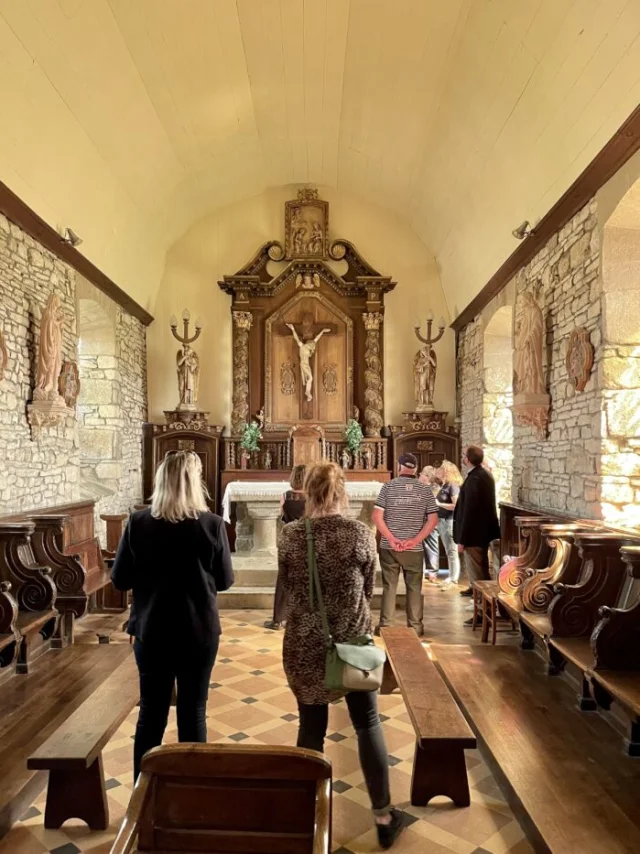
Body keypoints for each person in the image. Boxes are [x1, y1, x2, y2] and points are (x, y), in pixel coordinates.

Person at [279, 462, 405, 849]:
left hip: (303, 641)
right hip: (350, 642)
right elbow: (368, 587)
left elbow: (287, 583)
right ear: (341, 492)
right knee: (367, 722)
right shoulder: (359, 534)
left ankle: (305, 818)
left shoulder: (290, 536)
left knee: (310, 725)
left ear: (307, 492)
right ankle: (383, 816)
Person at [112, 450, 234, 781]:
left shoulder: (138, 523)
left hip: (152, 630)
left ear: (161, 480)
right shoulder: (212, 525)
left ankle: (142, 792)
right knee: (193, 712)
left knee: (151, 713)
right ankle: (192, 790)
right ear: (196, 483)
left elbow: (119, 579)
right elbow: (224, 581)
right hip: (198, 631)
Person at [373, 453, 438, 636]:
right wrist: (415, 540)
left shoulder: (388, 487)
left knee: (389, 586)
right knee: (414, 587)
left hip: (389, 547)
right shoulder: (425, 490)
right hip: (414, 548)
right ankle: (415, 627)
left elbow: (376, 516)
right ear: (416, 468)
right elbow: (433, 520)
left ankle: (385, 626)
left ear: (399, 465)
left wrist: (392, 539)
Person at [452, 445, 500, 625]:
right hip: (482, 533)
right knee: (481, 572)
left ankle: (482, 613)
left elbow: (469, 511)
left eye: (464, 455)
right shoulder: (484, 475)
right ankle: (485, 610)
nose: (463, 458)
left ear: (468, 459)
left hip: (474, 534)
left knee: (477, 576)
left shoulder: (475, 479)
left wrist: (462, 539)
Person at [264, 464, 307, 631]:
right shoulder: (312, 497)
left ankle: (278, 620)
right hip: (306, 540)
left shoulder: (285, 496)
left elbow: (283, 518)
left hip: (289, 539)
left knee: (283, 577)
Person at [434, 460, 463, 589]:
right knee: (448, 550)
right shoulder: (444, 485)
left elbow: (457, 506)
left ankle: (454, 578)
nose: (438, 470)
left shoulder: (453, 486)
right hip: (442, 521)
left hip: (449, 521)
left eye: (440, 468)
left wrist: (439, 504)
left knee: (452, 550)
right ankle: (451, 576)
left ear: (447, 472)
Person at [419, 466, 440, 579]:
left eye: (421, 473)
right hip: (418, 520)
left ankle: (433, 572)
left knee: (432, 545)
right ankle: (419, 571)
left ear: (427, 476)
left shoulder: (435, 488)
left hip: (430, 521)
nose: (419, 475)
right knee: (418, 546)